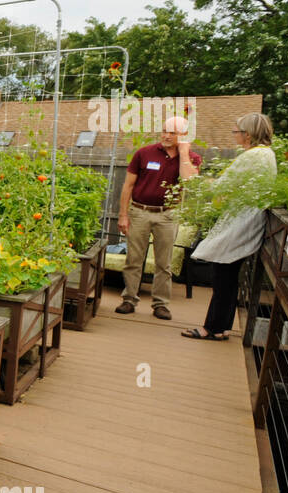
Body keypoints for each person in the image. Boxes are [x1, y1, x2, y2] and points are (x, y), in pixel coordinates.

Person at [182, 113, 277, 341]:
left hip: (241, 221)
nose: (234, 135)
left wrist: (198, 180)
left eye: (236, 131)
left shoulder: (253, 156)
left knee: (222, 276)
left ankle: (210, 328)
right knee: (229, 277)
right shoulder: (267, 154)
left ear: (248, 134)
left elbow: (221, 186)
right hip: (249, 219)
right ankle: (222, 327)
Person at [115, 115, 201, 320]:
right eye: (164, 130)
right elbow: (127, 186)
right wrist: (123, 215)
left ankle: (160, 304)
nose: (166, 135)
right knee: (134, 259)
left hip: (167, 215)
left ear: (184, 136)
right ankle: (129, 300)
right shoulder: (144, 153)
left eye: (172, 132)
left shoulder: (192, 158)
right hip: (139, 212)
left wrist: (182, 153)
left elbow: (189, 180)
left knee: (164, 263)